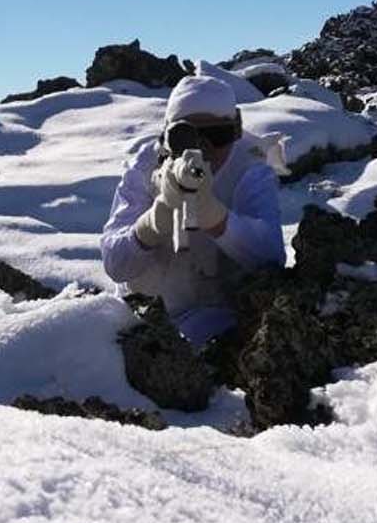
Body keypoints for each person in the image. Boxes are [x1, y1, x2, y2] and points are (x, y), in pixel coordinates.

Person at [100, 74, 285, 343]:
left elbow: (270, 256)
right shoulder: (146, 166)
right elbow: (115, 264)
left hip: (222, 321)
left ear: (235, 133)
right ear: (166, 136)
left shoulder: (250, 168)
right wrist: (151, 225)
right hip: (146, 320)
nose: (203, 148)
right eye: (186, 136)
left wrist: (217, 218)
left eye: (217, 135)